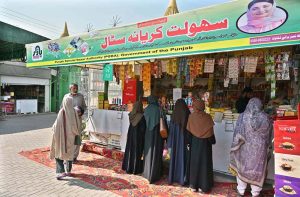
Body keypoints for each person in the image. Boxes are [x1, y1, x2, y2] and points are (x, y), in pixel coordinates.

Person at [229, 98, 272, 197]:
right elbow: (268, 135)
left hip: (245, 149)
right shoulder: (266, 118)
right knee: (258, 170)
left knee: (242, 168)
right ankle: (255, 193)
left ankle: (241, 191)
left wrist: (235, 145)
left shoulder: (242, 116)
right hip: (260, 150)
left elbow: (237, 133)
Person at [186, 99, 215, 193]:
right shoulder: (208, 117)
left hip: (195, 145)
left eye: (194, 106)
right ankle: (204, 186)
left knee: (194, 164)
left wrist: (189, 143)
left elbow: (189, 134)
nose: (193, 107)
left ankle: (193, 185)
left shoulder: (191, 117)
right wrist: (212, 141)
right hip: (205, 146)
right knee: (204, 165)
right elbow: (211, 136)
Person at [50, 97, 81, 180]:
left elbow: (56, 125)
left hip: (61, 137)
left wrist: (54, 130)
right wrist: (75, 133)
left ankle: (61, 172)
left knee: (59, 153)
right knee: (69, 154)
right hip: (70, 137)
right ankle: (68, 171)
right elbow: (78, 125)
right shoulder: (74, 112)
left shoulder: (62, 111)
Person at [167, 99, 191, 186]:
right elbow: (189, 130)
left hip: (175, 142)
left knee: (174, 158)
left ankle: (173, 177)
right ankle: (182, 178)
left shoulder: (174, 114)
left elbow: (171, 130)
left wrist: (169, 143)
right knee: (183, 158)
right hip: (184, 141)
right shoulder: (188, 114)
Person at [142, 95, 164, 183]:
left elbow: (144, 121)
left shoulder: (146, 109)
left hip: (148, 134)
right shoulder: (159, 109)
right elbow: (164, 119)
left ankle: (147, 173)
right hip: (157, 134)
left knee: (148, 151)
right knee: (156, 152)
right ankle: (155, 174)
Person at [63, 83, 87, 162]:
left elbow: (84, 107)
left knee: (77, 137)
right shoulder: (66, 97)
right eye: (74, 88)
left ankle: (74, 156)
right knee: (69, 137)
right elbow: (62, 107)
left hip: (77, 120)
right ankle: (68, 154)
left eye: (76, 88)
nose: (75, 89)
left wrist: (81, 112)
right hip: (68, 120)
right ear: (70, 89)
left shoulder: (80, 96)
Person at [122, 100, 146, 174]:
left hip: (131, 135)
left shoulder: (132, 114)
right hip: (138, 137)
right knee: (136, 151)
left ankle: (128, 167)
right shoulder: (141, 116)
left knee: (130, 150)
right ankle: (135, 169)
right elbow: (143, 129)